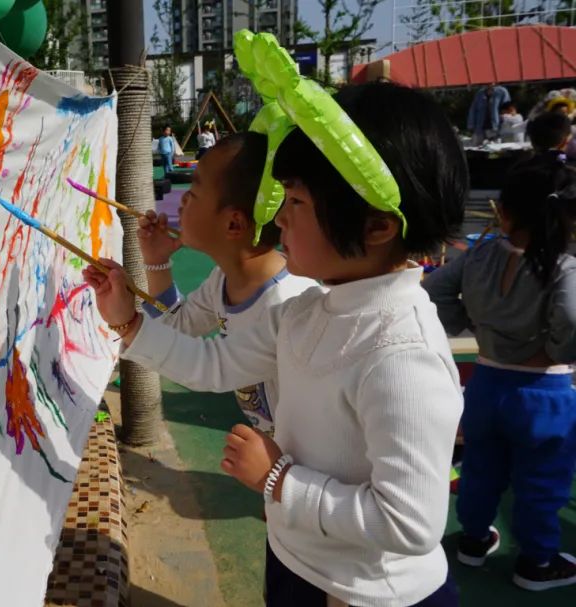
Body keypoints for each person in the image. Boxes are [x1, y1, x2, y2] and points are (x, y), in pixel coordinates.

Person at [84, 81, 467, 606]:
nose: (280, 216)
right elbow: (213, 365)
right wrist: (129, 324)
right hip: (296, 557)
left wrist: (279, 478)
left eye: (298, 202)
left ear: (375, 227)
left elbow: (409, 524)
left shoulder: (402, 355)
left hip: (365, 593)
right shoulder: (306, 312)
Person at [424, 156, 576, 591]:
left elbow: (435, 290)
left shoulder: (481, 254)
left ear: (503, 212)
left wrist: (466, 322)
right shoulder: (563, 267)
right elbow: (569, 314)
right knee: (542, 482)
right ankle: (537, 562)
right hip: (545, 393)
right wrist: (557, 348)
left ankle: (473, 540)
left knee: (480, 469)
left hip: (487, 385)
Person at [136, 132, 316, 437]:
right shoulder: (222, 280)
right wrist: (157, 262)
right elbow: (176, 328)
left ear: (233, 224)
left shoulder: (291, 306)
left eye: (192, 193)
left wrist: (126, 324)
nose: (181, 202)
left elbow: (207, 368)